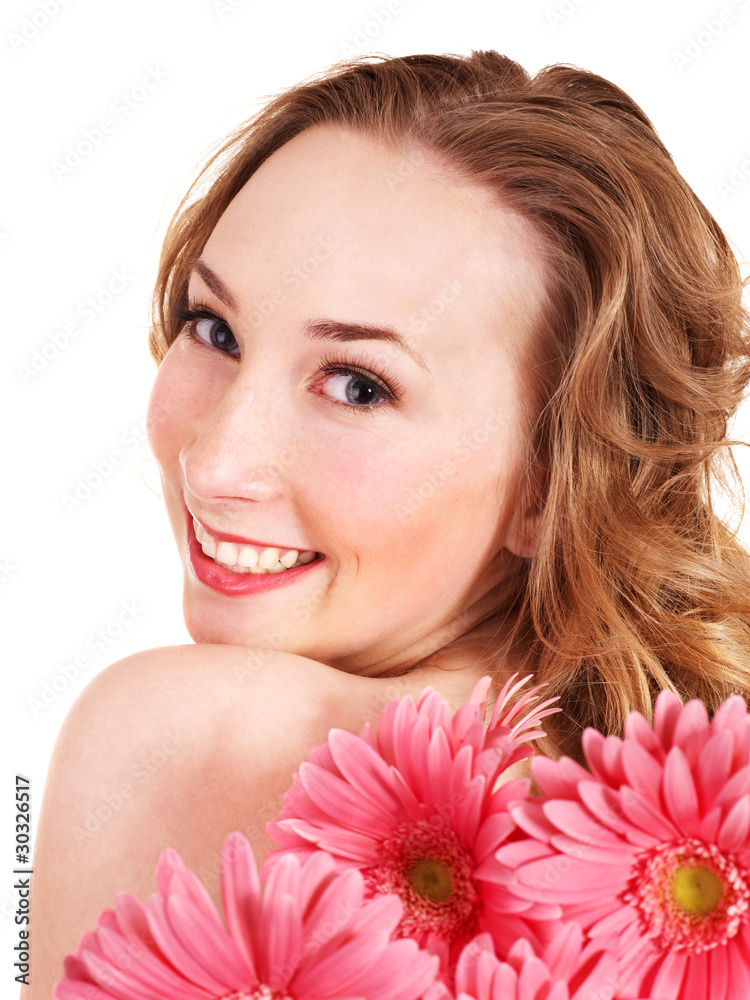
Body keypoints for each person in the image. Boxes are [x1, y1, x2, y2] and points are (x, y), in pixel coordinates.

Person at [24, 49, 750, 998]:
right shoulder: (701, 844)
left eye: (358, 385)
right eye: (214, 328)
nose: (215, 462)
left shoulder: (175, 737)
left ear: (555, 483)